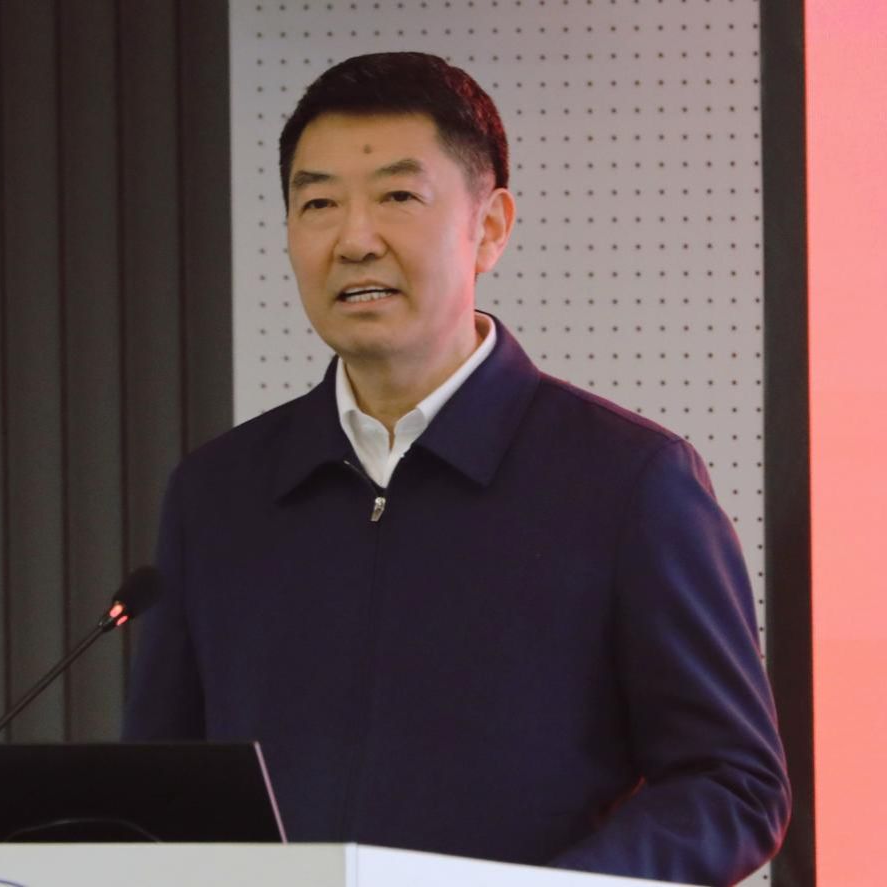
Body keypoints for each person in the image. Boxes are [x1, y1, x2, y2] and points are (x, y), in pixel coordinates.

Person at [123, 52, 790, 886]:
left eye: (399, 197)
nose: (354, 240)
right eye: (318, 202)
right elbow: (155, 790)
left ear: (491, 226)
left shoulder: (629, 482)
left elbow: (732, 784)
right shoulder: (217, 495)